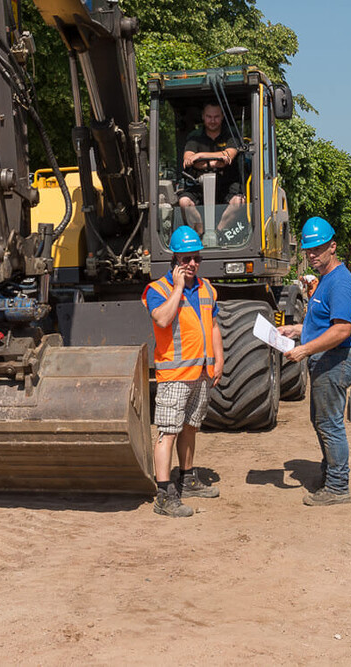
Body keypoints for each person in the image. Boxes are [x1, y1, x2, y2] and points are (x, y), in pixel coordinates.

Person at [141, 226, 224, 517]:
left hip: (200, 373)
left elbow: (213, 327)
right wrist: (177, 288)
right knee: (168, 432)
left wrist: (218, 360)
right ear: (175, 260)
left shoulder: (207, 288)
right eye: (186, 259)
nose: (192, 264)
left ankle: (187, 479)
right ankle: (164, 495)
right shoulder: (157, 290)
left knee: (190, 427)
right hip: (174, 376)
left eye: (196, 258)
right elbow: (162, 320)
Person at [277, 217, 351, 506]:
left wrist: (303, 350)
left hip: (336, 360)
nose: (312, 255)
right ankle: (330, 473)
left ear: (332, 247)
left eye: (318, 249)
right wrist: (295, 331)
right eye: (308, 250)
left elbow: (341, 330)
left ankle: (337, 487)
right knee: (321, 420)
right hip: (327, 359)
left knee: (330, 423)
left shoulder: (341, 283)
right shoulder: (325, 281)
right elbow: (325, 324)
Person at [178, 103, 246, 238]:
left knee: (239, 202)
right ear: (203, 117)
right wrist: (216, 159)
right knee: (184, 202)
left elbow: (228, 157)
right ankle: (200, 234)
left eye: (216, 117)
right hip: (199, 186)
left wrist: (200, 156)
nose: (212, 120)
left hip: (227, 186)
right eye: (209, 116)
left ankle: (219, 235)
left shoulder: (232, 134)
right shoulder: (195, 136)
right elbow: (188, 159)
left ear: (222, 117)